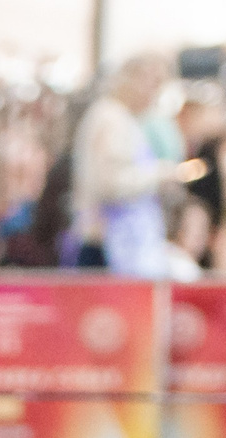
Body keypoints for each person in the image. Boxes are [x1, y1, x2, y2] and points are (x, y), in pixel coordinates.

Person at [69, 55, 172, 274]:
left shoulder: (125, 118)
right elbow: (109, 184)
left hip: (124, 246)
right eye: (153, 83)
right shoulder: (109, 118)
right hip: (108, 246)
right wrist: (160, 174)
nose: (155, 92)